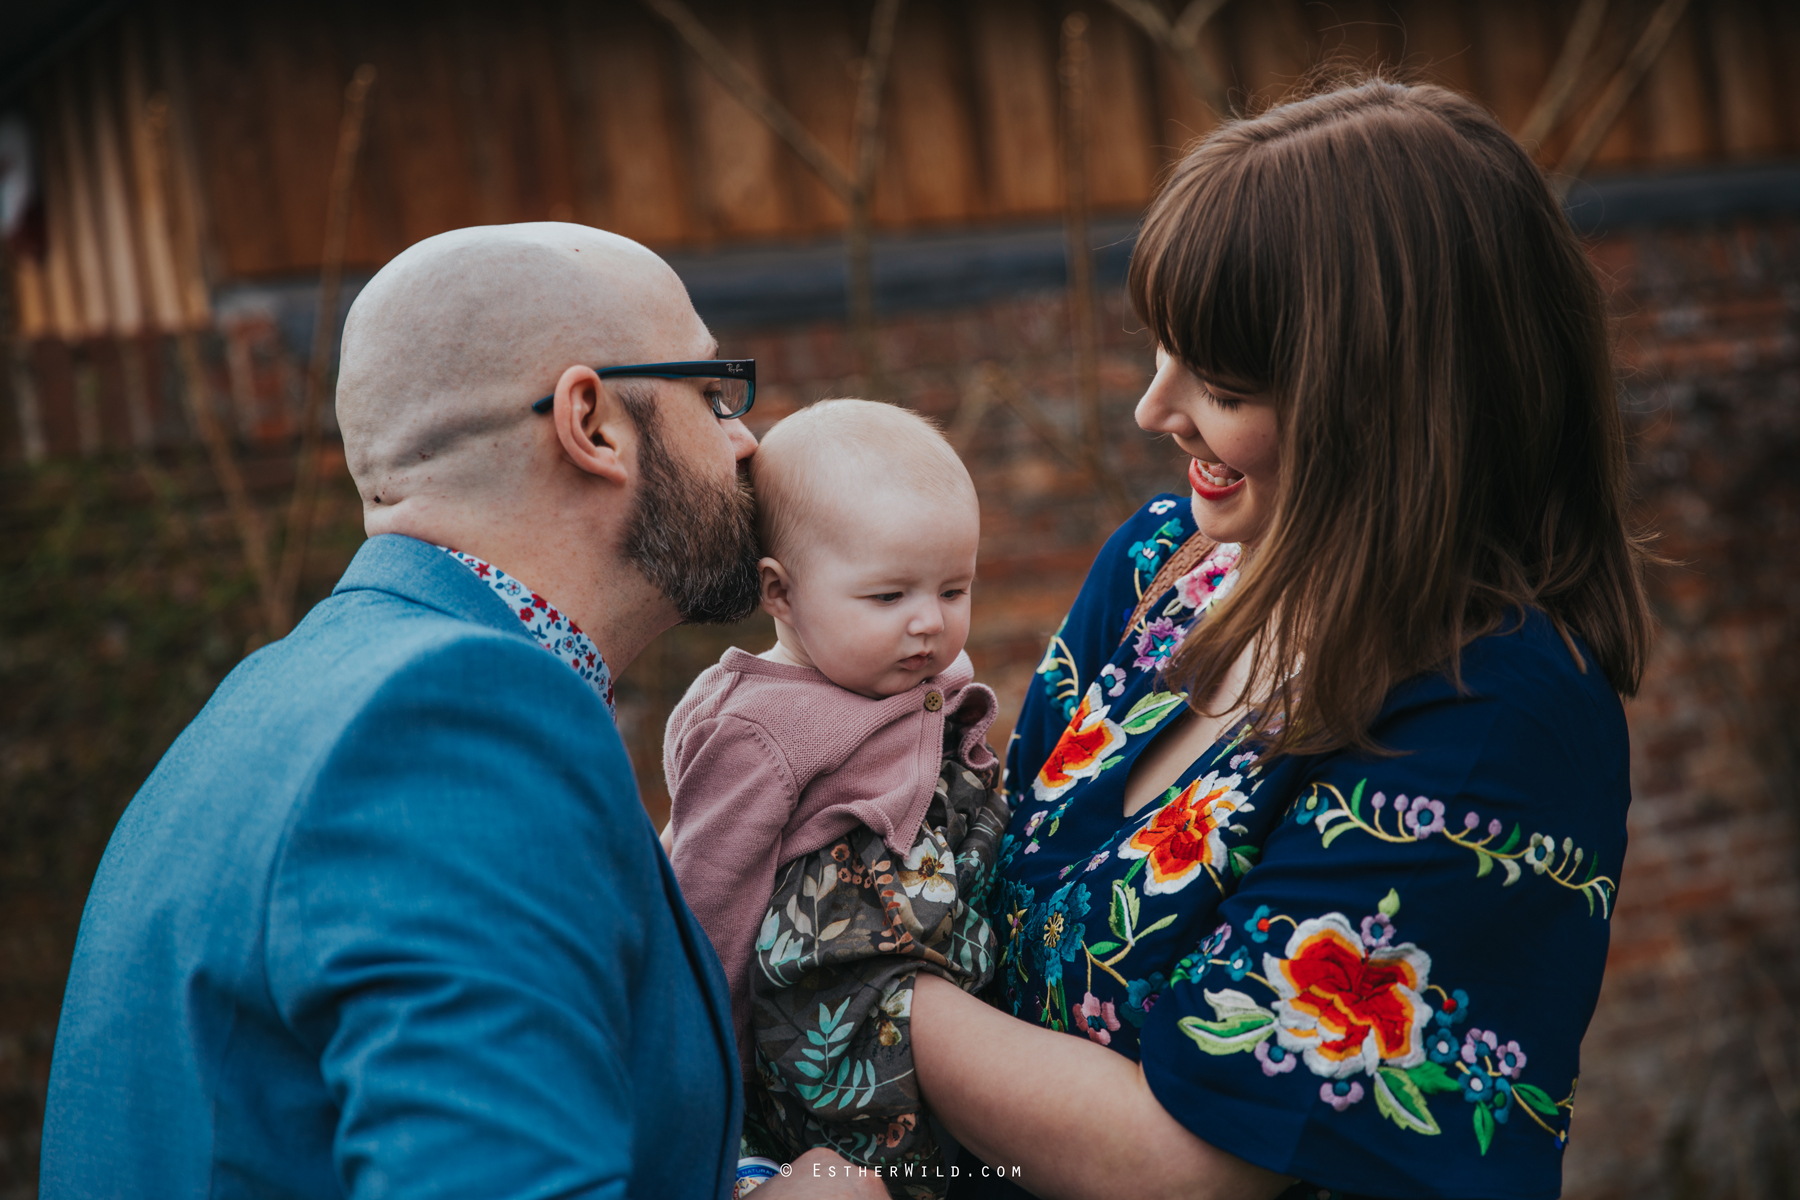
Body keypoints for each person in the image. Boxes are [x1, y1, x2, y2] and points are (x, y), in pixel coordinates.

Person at [906, 79, 1653, 1200]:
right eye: (1161, 350)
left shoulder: (1497, 712)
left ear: (1382, 399)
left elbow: (1190, 1165)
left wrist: (869, 1000)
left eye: (1220, 378)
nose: (1154, 410)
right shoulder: (1167, 562)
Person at [40, 223, 881, 1199]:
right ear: (593, 423)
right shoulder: (451, 725)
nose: (746, 440)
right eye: (710, 393)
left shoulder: (280, 698)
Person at [663, 400, 1007, 1191]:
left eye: (953, 590)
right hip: (829, 1061)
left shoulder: (910, 676)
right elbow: (708, 897)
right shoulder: (761, 730)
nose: (928, 624)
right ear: (780, 593)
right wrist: (705, 1085)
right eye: (888, 598)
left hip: (947, 1009)